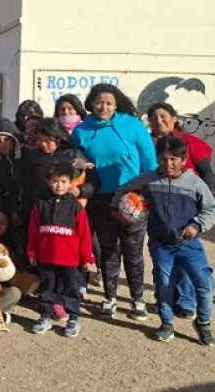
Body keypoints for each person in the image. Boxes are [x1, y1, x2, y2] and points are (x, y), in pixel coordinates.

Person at [114, 135, 215, 345]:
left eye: (173, 159)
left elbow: (211, 209)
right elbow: (123, 191)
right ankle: (166, 323)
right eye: (162, 159)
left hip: (189, 244)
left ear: (183, 159)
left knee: (204, 283)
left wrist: (196, 225)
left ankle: (204, 323)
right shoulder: (149, 179)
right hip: (161, 245)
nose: (168, 164)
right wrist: (119, 209)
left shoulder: (195, 183)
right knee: (163, 283)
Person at [72, 84, 157, 320]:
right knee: (109, 250)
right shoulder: (81, 131)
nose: (104, 107)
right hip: (100, 198)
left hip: (132, 197)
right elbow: (75, 161)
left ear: (116, 104)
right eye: (99, 102)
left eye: (109, 103)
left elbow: (150, 162)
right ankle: (110, 297)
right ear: (91, 103)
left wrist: (146, 192)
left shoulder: (132, 126)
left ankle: (137, 299)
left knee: (133, 251)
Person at [147, 101, 213, 318]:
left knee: (185, 256)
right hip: (157, 204)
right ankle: (163, 300)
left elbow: (206, 172)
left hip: (185, 206)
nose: (159, 121)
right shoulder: (146, 141)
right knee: (162, 261)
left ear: (175, 118)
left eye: (164, 116)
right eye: (154, 117)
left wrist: (199, 205)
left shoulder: (188, 141)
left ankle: (185, 300)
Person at [27, 164, 96, 338]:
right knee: (47, 287)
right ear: (48, 182)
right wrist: (32, 252)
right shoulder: (40, 204)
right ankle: (45, 316)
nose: (59, 185)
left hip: (70, 259)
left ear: (70, 184)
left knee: (71, 288)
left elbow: (84, 233)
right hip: (47, 256)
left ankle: (73, 317)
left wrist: (87, 257)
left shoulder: (75, 207)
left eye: (63, 181)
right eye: (55, 181)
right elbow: (33, 229)